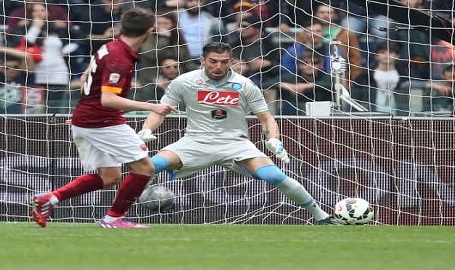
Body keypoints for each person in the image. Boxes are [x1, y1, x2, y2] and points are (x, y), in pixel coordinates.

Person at [136, 42, 341, 225]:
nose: (218, 66)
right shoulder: (184, 81)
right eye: (213, 61)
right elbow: (160, 110)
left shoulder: (245, 85)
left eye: (224, 62)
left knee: (275, 176)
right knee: (149, 166)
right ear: (202, 60)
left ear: (231, 61)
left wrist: (274, 139)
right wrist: (147, 129)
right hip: (195, 141)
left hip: (235, 143)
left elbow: (267, 118)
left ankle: (321, 216)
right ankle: (117, 215)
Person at [30, 8, 176, 229]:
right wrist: (152, 106)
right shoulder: (119, 58)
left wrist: (82, 115)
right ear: (150, 30)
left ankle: (49, 198)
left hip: (89, 119)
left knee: (110, 176)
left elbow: (86, 76)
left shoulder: (109, 47)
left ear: (121, 27)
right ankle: (113, 219)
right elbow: (108, 99)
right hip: (102, 121)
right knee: (145, 169)